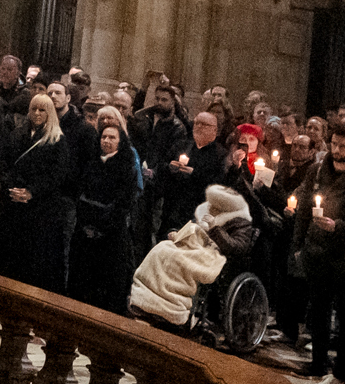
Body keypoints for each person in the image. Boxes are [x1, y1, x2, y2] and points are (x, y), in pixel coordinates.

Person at [291, 122, 345, 384]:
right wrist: (298, 244)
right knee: (318, 308)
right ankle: (317, 362)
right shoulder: (316, 170)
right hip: (316, 250)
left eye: (343, 146)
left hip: (343, 255)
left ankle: (342, 367)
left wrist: (338, 226)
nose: (337, 150)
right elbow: (304, 209)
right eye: (334, 144)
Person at [130, 186, 253, 335]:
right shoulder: (204, 210)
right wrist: (176, 234)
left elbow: (237, 247)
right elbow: (190, 228)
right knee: (161, 249)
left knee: (179, 260)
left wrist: (215, 228)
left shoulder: (241, 221)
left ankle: (172, 309)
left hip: (212, 253)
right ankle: (147, 300)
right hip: (190, 245)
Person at [0, 92, 73, 294]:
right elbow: (2, 162)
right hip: (12, 202)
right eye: (33, 109)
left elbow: (57, 176)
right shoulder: (17, 134)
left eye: (42, 110)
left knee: (30, 261)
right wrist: (11, 187)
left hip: (39, 208)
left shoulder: (57, 140)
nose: (37, 113)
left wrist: (31, 192)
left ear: (50, 113)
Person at [70, 110, 142, 314]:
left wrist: (102, 226)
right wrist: (87, 224)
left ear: (120, 141)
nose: (107, 141)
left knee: (108, 287)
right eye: (104, 137)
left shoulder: (126, 167)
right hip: (85, 233)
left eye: (112, 138)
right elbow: (80, 194)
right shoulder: (91, 163)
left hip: (111, 236)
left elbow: (123, 204)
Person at [158, 110, 230, 236]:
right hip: (173, 208)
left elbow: (219, 183)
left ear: (214, 130)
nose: (199, 127)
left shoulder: (221, 154)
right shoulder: (182, 145)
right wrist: (170, 168)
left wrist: (195, 173)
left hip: (199, 210)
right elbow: (161, 166)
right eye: (197, 123)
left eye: (204, 124)